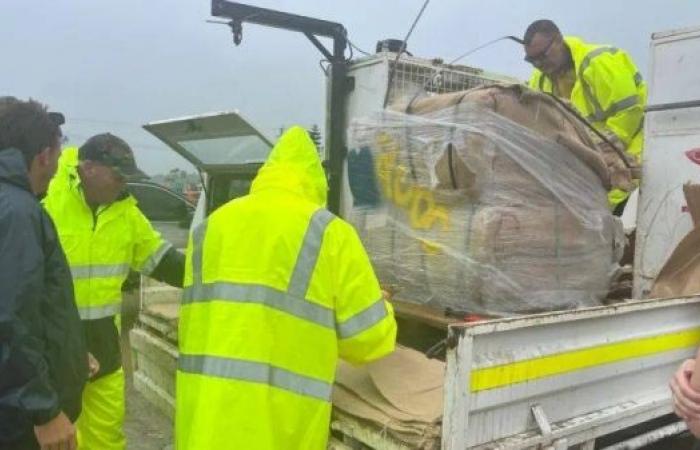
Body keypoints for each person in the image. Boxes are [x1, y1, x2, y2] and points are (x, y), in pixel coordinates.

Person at [176, 126, 397, 449]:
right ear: (315, 182)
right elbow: (367, 341)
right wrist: (382, 305)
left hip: (202, 424)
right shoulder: (330, 233)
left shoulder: (209, 227)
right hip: (277, 430)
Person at [42, 133, 185, 450]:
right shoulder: (47, 197)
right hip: (55, 350)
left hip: (105, 349)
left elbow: (162, 260)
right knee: (58, 439)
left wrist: (215, 274)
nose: (124, 185)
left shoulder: (126, 211)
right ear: (89, 168)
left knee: (107, 439)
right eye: (118, 177)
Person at [0, 98, 89, 450]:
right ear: (43, 156)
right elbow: (12, 317)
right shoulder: (18, 213)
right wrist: (44, 410)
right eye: (56, 154)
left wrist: (67, 349)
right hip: (17, 420)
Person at [523, 19, 647, 213]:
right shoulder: (539, 80)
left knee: (616, 219)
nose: (538, 64)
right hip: (591, 168)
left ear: (558, 40)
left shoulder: (599, 62)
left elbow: (628, 113)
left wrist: (599, 156)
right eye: (532, 60)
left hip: (630, 156)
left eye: (542, 56)